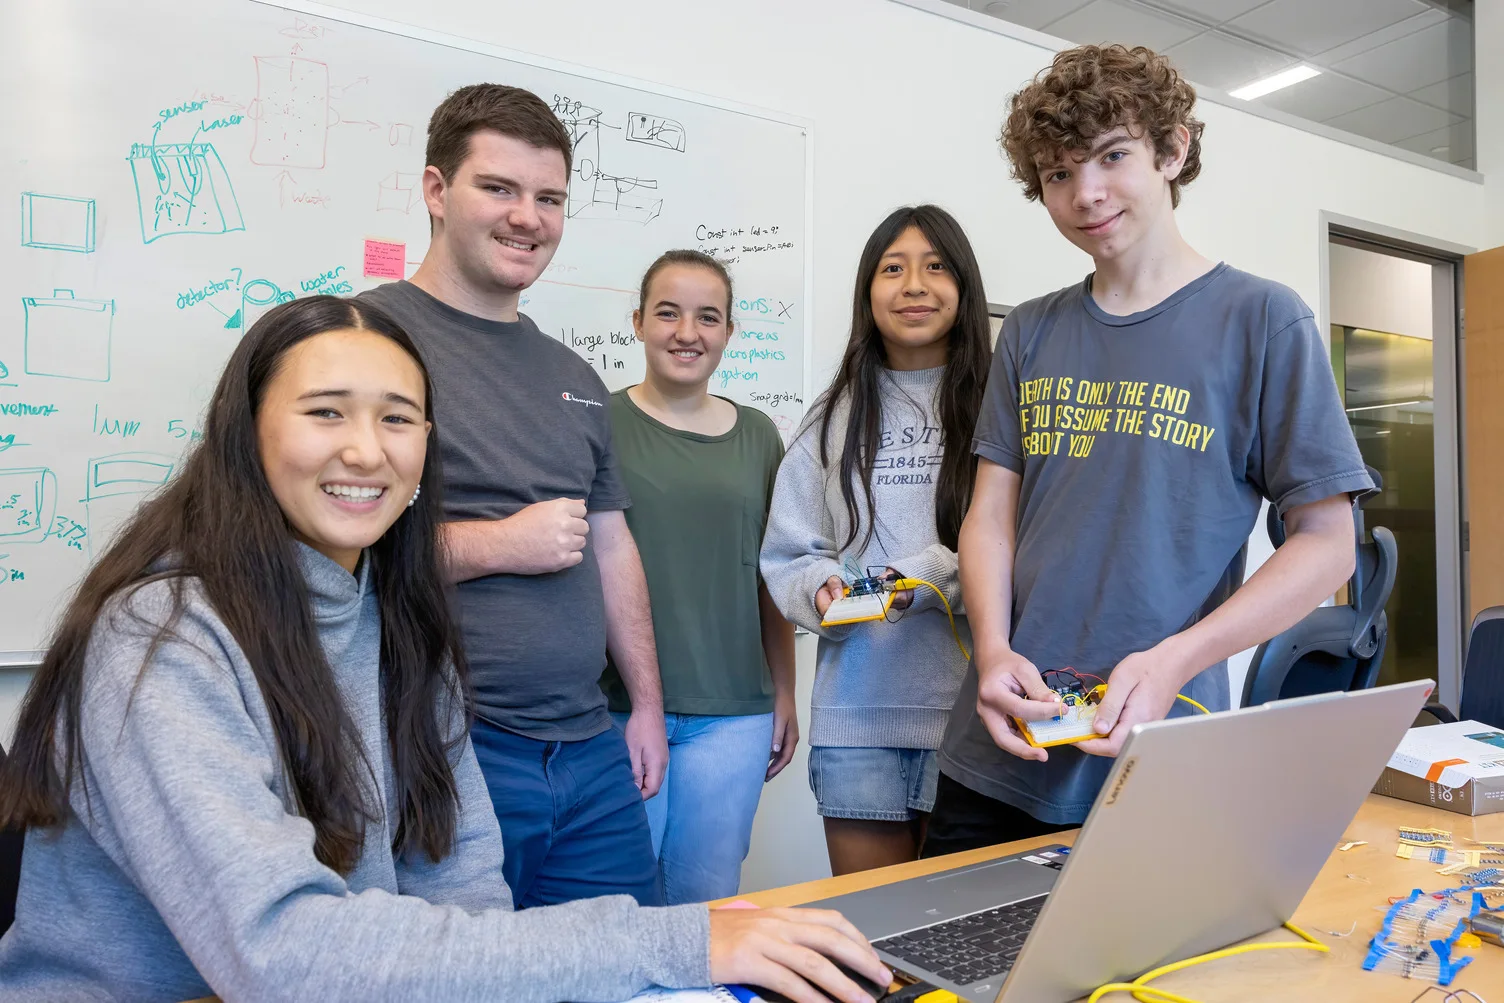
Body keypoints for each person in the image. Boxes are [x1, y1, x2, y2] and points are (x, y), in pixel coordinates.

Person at [0, 296, 892, 1003]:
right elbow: (280, 952)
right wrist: (678, 938)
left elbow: (463, 883)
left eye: (398, 419)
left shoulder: (402, 619)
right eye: (324, 412)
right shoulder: (162, 637)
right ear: (247, 431)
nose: (365, 449)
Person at [926, 44, 1375, 855]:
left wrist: (1177, 658)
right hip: (1003, 740)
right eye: (1057, 174)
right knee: (948, 979)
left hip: (1160, 747)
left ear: (1173, 151)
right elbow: (990, 518)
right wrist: (991, 650)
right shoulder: (1030, 327)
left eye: (1112, 156)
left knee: (1130, 983)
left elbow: (1327, 542)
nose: (1085, 193)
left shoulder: (1263, 321)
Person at [360, 84, 669, 907]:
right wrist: (503, 543)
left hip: (589, 745)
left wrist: (644, 704)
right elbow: (321, 549)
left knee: (627, 970)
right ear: (436, 191)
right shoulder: (362, 341)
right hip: (446, 743)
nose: (527, 217)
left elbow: (611, 546)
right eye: (499, 188)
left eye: (549, 198)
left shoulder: (575, 376)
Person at [761, 205, 992, 875]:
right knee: (876, 940)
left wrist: (916, 578)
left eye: (935, 267)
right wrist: (819, 587)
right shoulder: (832, 415)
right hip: (856, 722)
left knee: (967, 935)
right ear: (868, 291)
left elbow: (1015, 538)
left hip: (976, 718)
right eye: (893, 269)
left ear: (964, 286)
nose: (913, 285)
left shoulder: (1000, 407)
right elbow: (788, 551)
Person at [603, 249, 797, 904]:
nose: (688, 332)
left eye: (707, 317)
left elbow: (773, 576)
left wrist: (786, 693)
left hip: (734, 713)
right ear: (638, 321)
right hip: (617, 709)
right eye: (668, 312)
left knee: (704, 903)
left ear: (729, 332)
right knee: (621, 903)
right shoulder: (598, 424)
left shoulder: (759, 436)